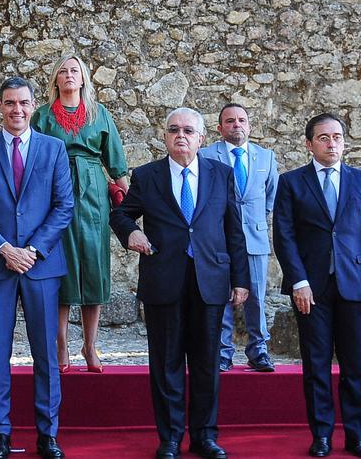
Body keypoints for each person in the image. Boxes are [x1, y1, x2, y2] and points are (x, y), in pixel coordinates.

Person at [110, 107, 249, 459]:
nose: (181, 136)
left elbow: (234, 229)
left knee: (206, 362)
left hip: (210, 280)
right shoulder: (148, 175)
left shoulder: (221, 174)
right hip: (164, 279)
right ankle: (170, 438)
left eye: (188, 130)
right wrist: (132, 234)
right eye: (174, 130)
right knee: (167, 363)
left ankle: (204, 436)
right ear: (165, 136)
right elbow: (121, 213)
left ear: (202, 138)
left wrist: (241, 279)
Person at [0, 76, 73, 459]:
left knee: (46, 352)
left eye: (23, 103)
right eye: (10, 103)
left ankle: (48, 434)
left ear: (32, 106)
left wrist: (34, 250)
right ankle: (1, 434)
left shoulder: (54, 149)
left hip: (41, 267)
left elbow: (64, 207)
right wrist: (5, 248)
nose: (17, 110)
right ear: (0, 106)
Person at [273, 113, 361, 459]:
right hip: (312, 290)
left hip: (355, 288)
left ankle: (356, 437)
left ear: (344, 141)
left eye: (337, 137)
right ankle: (321, 435)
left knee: (356, 368)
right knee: (316, 366)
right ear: (309, 144)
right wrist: (299, 281)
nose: (332, 143)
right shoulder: (291, 182)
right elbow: (285, 236)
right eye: (323, 138)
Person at [30, 54, 129, 373]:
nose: (69, 75)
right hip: (53, 189)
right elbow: (29, 159)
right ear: (55, 80)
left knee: (93, 265)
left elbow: (116, 164)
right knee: (60, 267)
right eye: (63, 71)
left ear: (84, 78)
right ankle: (61, 344)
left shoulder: (100, 115)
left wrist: (127, 209)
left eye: (75, 70)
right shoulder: (42, 116)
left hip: (93, 196)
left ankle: (90, 344)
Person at [197, 103, 279, 373]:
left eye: (241, 120)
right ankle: (222, 352)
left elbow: (270, 196)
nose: (237, 125)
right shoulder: (207, 155)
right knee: (221, 296)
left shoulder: (266, 157)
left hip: (254, 240)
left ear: (250, 125)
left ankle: (259, 350)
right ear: (220, 128)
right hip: (219, 239)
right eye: (230, 121)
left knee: (256, 296)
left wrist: (254, 220)